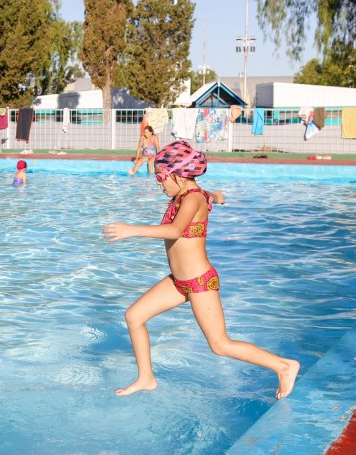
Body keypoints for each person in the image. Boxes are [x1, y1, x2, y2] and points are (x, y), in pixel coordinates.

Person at [103, 142, 300, 398]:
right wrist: (219, 197)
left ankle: (284, 366)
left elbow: (176, 230)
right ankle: (146, 378)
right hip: (178, 281)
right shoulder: (193, 194)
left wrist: (132, 229)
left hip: (199, 282)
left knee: (220, 345)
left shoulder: (193, 198)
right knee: (134, 316)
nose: (159, 184)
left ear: (176, 175)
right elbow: (213, 197)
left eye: (161, 178)